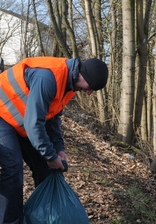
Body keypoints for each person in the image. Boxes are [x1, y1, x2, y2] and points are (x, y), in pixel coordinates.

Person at [0, 56, 108, 224]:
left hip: (20, 119)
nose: (89, 92)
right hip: (2, 115)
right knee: (13, 167)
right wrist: (50, 156)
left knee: (45, 168)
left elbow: (53, 120)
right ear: (83, 75)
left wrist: (59, 150)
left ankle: (46, 218)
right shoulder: (47, 78)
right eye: (91, 87)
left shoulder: (70, 85)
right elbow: (34, 124)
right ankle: (9, 221)